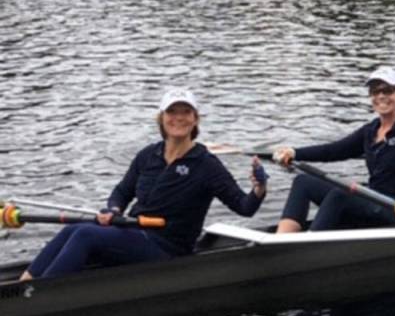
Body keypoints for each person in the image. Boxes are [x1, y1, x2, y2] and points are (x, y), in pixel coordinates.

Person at [20, 88, 267, 281]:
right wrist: (114, 210)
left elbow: (245, 207)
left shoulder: (206, 164)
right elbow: (121, 192)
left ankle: (38, 298)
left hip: (169, 247)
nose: (178, 118)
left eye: (186, 112)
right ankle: (24, 284)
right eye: (172, 112)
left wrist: (259, 189)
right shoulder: (149, 155)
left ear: (195, 119)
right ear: (162, 118)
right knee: (72, 229)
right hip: (135, 231)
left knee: (85, 234)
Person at [274, 66, 395, 232]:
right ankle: (282, 242)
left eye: (387, 90)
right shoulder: (370, 131)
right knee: (303, 182)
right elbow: (334, 150)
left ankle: (307, 248)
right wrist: (295, 153)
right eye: (375, 91)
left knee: (341, 194)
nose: (381, 96)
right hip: (374, 198)